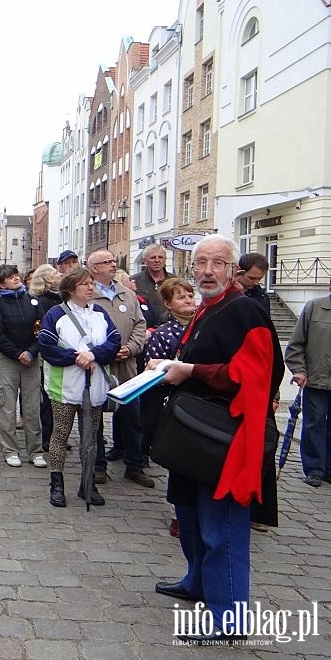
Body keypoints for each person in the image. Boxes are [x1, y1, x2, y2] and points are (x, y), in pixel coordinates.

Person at [146, 235, 283, 643]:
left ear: (232, 270)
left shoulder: (246, 313)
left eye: (217, 263)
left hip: (228, 442)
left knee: (220, 529)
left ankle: (230, 620)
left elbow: (253, 378)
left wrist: (189, 371)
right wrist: (170, 366)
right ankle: (197, 583)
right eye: (201, 262)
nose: (207, 270)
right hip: (196, 435)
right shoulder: (209, 309)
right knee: (188, 515)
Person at [38, 267, 121, 508]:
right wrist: (77, 357)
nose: (90, 288)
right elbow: (47, 346)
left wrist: (93, 355)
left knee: (91, 437)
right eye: (85, 284)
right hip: (64, 387)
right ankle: (56, 482)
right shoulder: (56, 314)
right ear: (71, 288)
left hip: (94, 387)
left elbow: (114, 342)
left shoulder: (101, 314)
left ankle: (88, 483)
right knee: (60, 434)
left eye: (91, 284)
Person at [88, 250, 154, 489]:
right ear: (94, 268)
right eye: (107, 262)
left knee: (131, 417)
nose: (114, 264)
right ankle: (97, 466)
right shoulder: (86, 294)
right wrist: (105, 350)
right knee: (94, 418)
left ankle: (134, 465)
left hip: (127, 366)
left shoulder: (127, 294)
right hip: (98, 366)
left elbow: (140, 325)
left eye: (114, 260)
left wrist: (132, 347)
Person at [142, 278, 197, 538]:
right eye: (180, 297)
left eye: (190, 295)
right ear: (167, 304)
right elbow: (151, 372)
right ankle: (179, 513)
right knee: (180, 462)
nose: (188, 300)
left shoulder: (202, 326)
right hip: (171, 402)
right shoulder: (165, 333)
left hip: (199, 401)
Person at [0, 265, 46, 468]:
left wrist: (31, 351)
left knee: (32, 406)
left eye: (16, 275)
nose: (16, 279)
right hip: (7, 359)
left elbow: (42, 328)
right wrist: (17, 353)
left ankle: (35, 451)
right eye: (10, 277)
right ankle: (10, 450)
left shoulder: (32, 300)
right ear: (1, 283)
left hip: (31, 358)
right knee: (6, 406)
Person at [285, 279, 331, 487]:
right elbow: (296, 344)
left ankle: (329, 469)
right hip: (316, 379)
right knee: (314, 424)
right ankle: (314, 469)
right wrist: (299, 370)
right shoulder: (315, 307)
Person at [28, 264, 63, 452]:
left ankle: (58, 435)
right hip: (47, 354)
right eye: (56, 273)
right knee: (47, 398)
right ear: (47, 279)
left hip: (63, 353)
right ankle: (46, 436)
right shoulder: (39, 301)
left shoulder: (60, 299)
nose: (60, 275)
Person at [131, 244, 175, 324]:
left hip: (169, 327)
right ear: (144, 260)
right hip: (144, 329)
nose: (157, 260)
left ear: (165, 259)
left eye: (160, 257)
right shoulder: (134, 281)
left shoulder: (175, 281)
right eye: (153, 257)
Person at [236, 252, 271, 316]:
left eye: (259, 279)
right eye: (252, 278)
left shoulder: (263, 298)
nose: (256, 283)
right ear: (239, 271)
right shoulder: (223, 293)